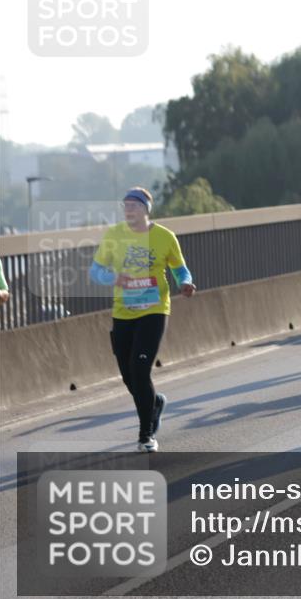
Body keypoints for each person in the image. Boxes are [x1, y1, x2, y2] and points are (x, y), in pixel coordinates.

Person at [89, 188, 195, 453]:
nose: (128, 210)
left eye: (134, 205)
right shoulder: (114, 235)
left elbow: (180, 268)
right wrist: (113, 278)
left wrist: (185, 282)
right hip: (123, 312)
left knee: (140, 369)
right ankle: (154, 403)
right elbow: (95, 271)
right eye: (125, 205)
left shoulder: (165, 236)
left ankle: (146, 435)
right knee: (129, 377)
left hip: (154, 310)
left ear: (146, 209)